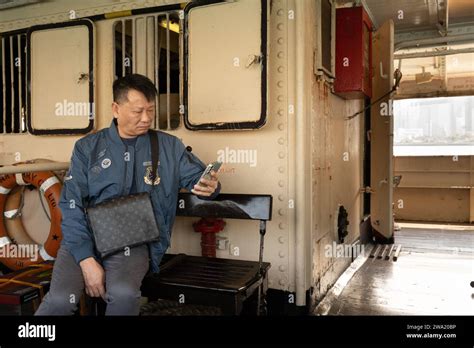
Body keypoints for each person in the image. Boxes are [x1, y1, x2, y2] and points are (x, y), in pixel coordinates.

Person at [35, 74, 220, 315]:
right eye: (137, 111)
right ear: (116, 109)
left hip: (133, 240)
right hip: (84, 237)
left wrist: (210, 187)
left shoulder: (169, 146)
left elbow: (198, 180)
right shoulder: (87, 148)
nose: (146, 118)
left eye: (151, 110)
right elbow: (71, 204)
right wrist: (86, 260)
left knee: (123, 295)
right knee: (59, 301)